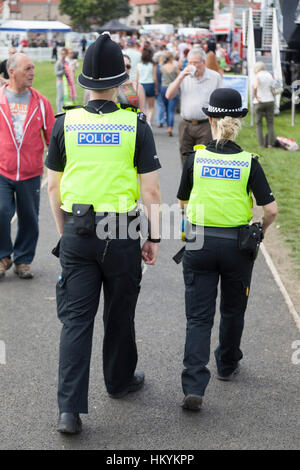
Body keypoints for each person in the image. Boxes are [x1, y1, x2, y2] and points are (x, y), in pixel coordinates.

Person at [46, 32, 161, 435]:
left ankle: (69, 410)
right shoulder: (136, 126)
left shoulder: (65, 123)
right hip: (123, 229)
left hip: (78, 228)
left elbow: (53, 187)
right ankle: (118, 380)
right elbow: (150, 191)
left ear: (84, 82)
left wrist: (65, 234)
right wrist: (153, 238)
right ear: (120, 81)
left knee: (76, 321)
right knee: (119, 311)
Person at [176, 88, 278, 411]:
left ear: (210, 119)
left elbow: (183, 201)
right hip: (237, 246)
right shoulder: (250, 163)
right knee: (233, 310)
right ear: (240, 121)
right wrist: (259, 232)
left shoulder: (195, 158)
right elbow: (271, 209)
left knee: (198, 316)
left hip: (200, 242)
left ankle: (194, 384)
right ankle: (227, 363)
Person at [0, 53, 55, 280]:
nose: (32, 73)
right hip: (2, 170)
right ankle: (3, 256)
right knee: (1, 211)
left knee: (29, 217)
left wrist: (58, 169)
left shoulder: (41, 102)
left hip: (31, 172)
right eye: (27, 69)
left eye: (33, 68)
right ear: (11, 72)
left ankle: (23, 260)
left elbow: (52, 137)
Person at [166, 48, 222, 167]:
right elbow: (169, 95)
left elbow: (220, 101)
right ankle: (187, 184)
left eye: (196, 62)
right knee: (185, 158)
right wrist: (181, 76)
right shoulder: (184, 77)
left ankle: (200, 184)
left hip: (206, 124)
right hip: (186, 124)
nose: (192, 65)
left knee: (204, 159)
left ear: (203, 62)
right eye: (190, 62)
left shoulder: (214, 77)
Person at [253, 61, 276, 149]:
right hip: (270, 100)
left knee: (259, 124)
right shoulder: (270, 75)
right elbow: (274, 87)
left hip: (259, 101)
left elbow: (255, 87)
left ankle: (261, 144)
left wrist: (256, 96)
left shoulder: (257, 75)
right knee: (270, 123)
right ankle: (270, 144)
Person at [136, 48, 158, 126]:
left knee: (142, 106)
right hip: (150, 85)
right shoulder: (152, 65)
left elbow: (137, 78)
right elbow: (155, 78)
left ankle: (143, 122)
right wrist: (156, 87)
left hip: (141, 85)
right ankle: (149, 121)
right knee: (151, 107)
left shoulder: (138, 65)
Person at [159, 51, 180, 136]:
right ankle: (170, 127)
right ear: (171, 58)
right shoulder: (175, 68)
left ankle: (168, 125)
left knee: (166, 108)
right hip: (172, 88)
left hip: (163, 88)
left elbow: (159, 79)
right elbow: (180, 77)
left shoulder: (162, 68)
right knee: (171, 110)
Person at [54, 47, 68, 113]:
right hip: (60, 81)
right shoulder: (59, 62)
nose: (63, 55)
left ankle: (63, 110)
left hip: (65, 82)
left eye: (64, 54)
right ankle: (59, 111)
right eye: (62, 54)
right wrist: (63, 70)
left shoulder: (66, 62)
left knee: (64, 97)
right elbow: (56, 73)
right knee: (59, 97)